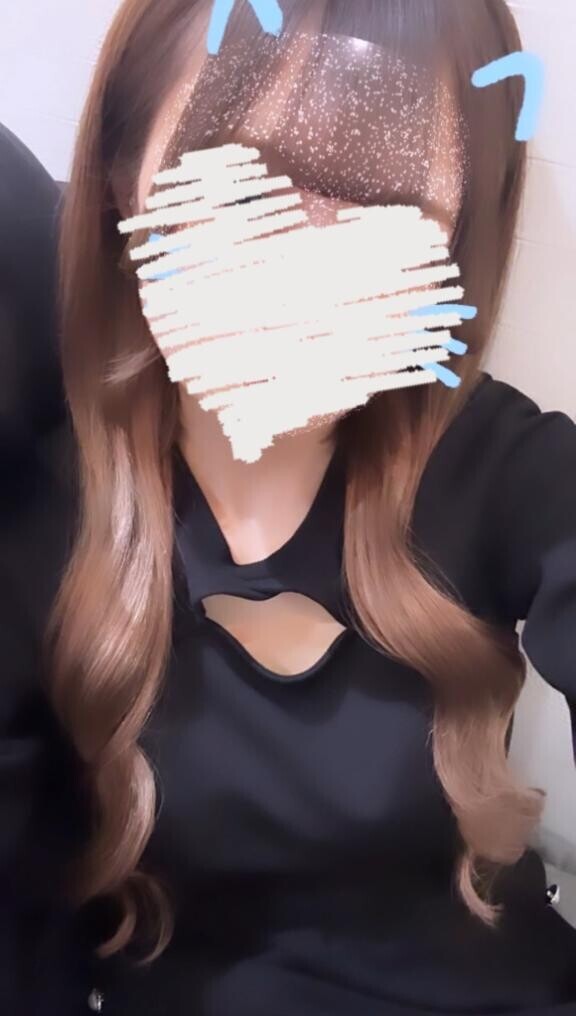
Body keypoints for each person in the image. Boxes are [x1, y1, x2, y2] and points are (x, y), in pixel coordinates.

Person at [1, 1, 576, 1013]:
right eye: (244, 174)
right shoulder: (43, 521)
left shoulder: (501, 466)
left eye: (387, 204)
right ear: (127, 173)